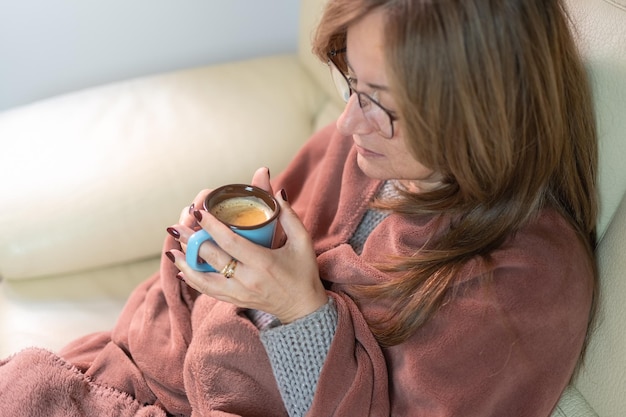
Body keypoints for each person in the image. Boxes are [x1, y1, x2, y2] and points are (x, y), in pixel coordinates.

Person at [0, 0, 597, 416]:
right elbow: (188, 319)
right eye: (351, 85)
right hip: (122, 376)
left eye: (381, 104)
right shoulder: (360, 150)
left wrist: (295, 307)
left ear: (478, 111)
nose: (347, 122)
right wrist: (210, 260)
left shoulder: (526, 282)